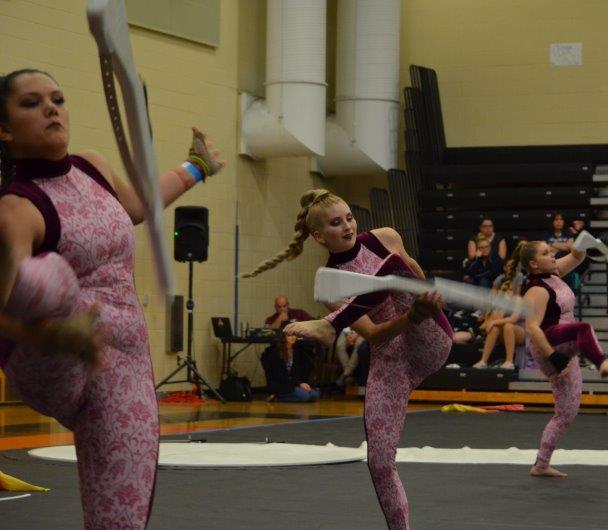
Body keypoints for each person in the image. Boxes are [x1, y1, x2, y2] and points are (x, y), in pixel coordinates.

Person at [0, 69, 224, 528]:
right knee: (50, 278)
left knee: (121, 519)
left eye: (58, 99)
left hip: (123, 360)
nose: (51, 108)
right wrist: (48, 335)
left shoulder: (91, 165)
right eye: (31, 103)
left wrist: (196, 167)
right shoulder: (14, 210)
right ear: (4, 129)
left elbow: (138, 207)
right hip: (49, 355)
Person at [242, 189, 452, 529]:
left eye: (350, 218)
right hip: (391, 355)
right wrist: (409, 316)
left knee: (393, 268)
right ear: (319, 236)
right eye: (336, 223)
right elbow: (375, 335)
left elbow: (413, 274)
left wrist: (425, 301)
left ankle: (331, 326)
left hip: (428, 337)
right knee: (379, 462)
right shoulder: (332, 285)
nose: (348, 227)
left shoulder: (385, 238)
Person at [509, 240, 608, 478]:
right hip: (549, 343)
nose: (552, 255)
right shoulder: (536, 289)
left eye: (551, 251)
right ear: (533, 263)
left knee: (568, 411)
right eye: (546, 253)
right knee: (583, 328)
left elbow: (578, 258)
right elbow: (532, 328)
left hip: (565, 339)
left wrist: (578, 245)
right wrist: (554, 357)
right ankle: (601, 362)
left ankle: (541, 464)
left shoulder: (553, 272)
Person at [473, 246, 527, 370]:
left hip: (522, 330)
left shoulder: (518, 299)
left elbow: (513, 319)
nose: (507, 292)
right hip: (507, 330)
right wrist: (493, 319)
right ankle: (483, 361)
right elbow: (495, 318)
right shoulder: (501, 301)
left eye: (510, 289)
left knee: (507, 325)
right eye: (505, 290)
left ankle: (509, 361)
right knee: (497, 327)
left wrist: (493, 322)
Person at [263, 334, 320, 402]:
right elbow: (279, 376)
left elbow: (296, 372)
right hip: (281, 384)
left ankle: (293, 395)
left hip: (292, 383)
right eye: (289, 336)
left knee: (315, 395)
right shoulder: (276, 352)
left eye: (294, 335)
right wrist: (298, 384)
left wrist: (300, 383)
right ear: (284, 337)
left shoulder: (295, 351)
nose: (292, 337)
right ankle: (277, 398)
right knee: (305, 396)